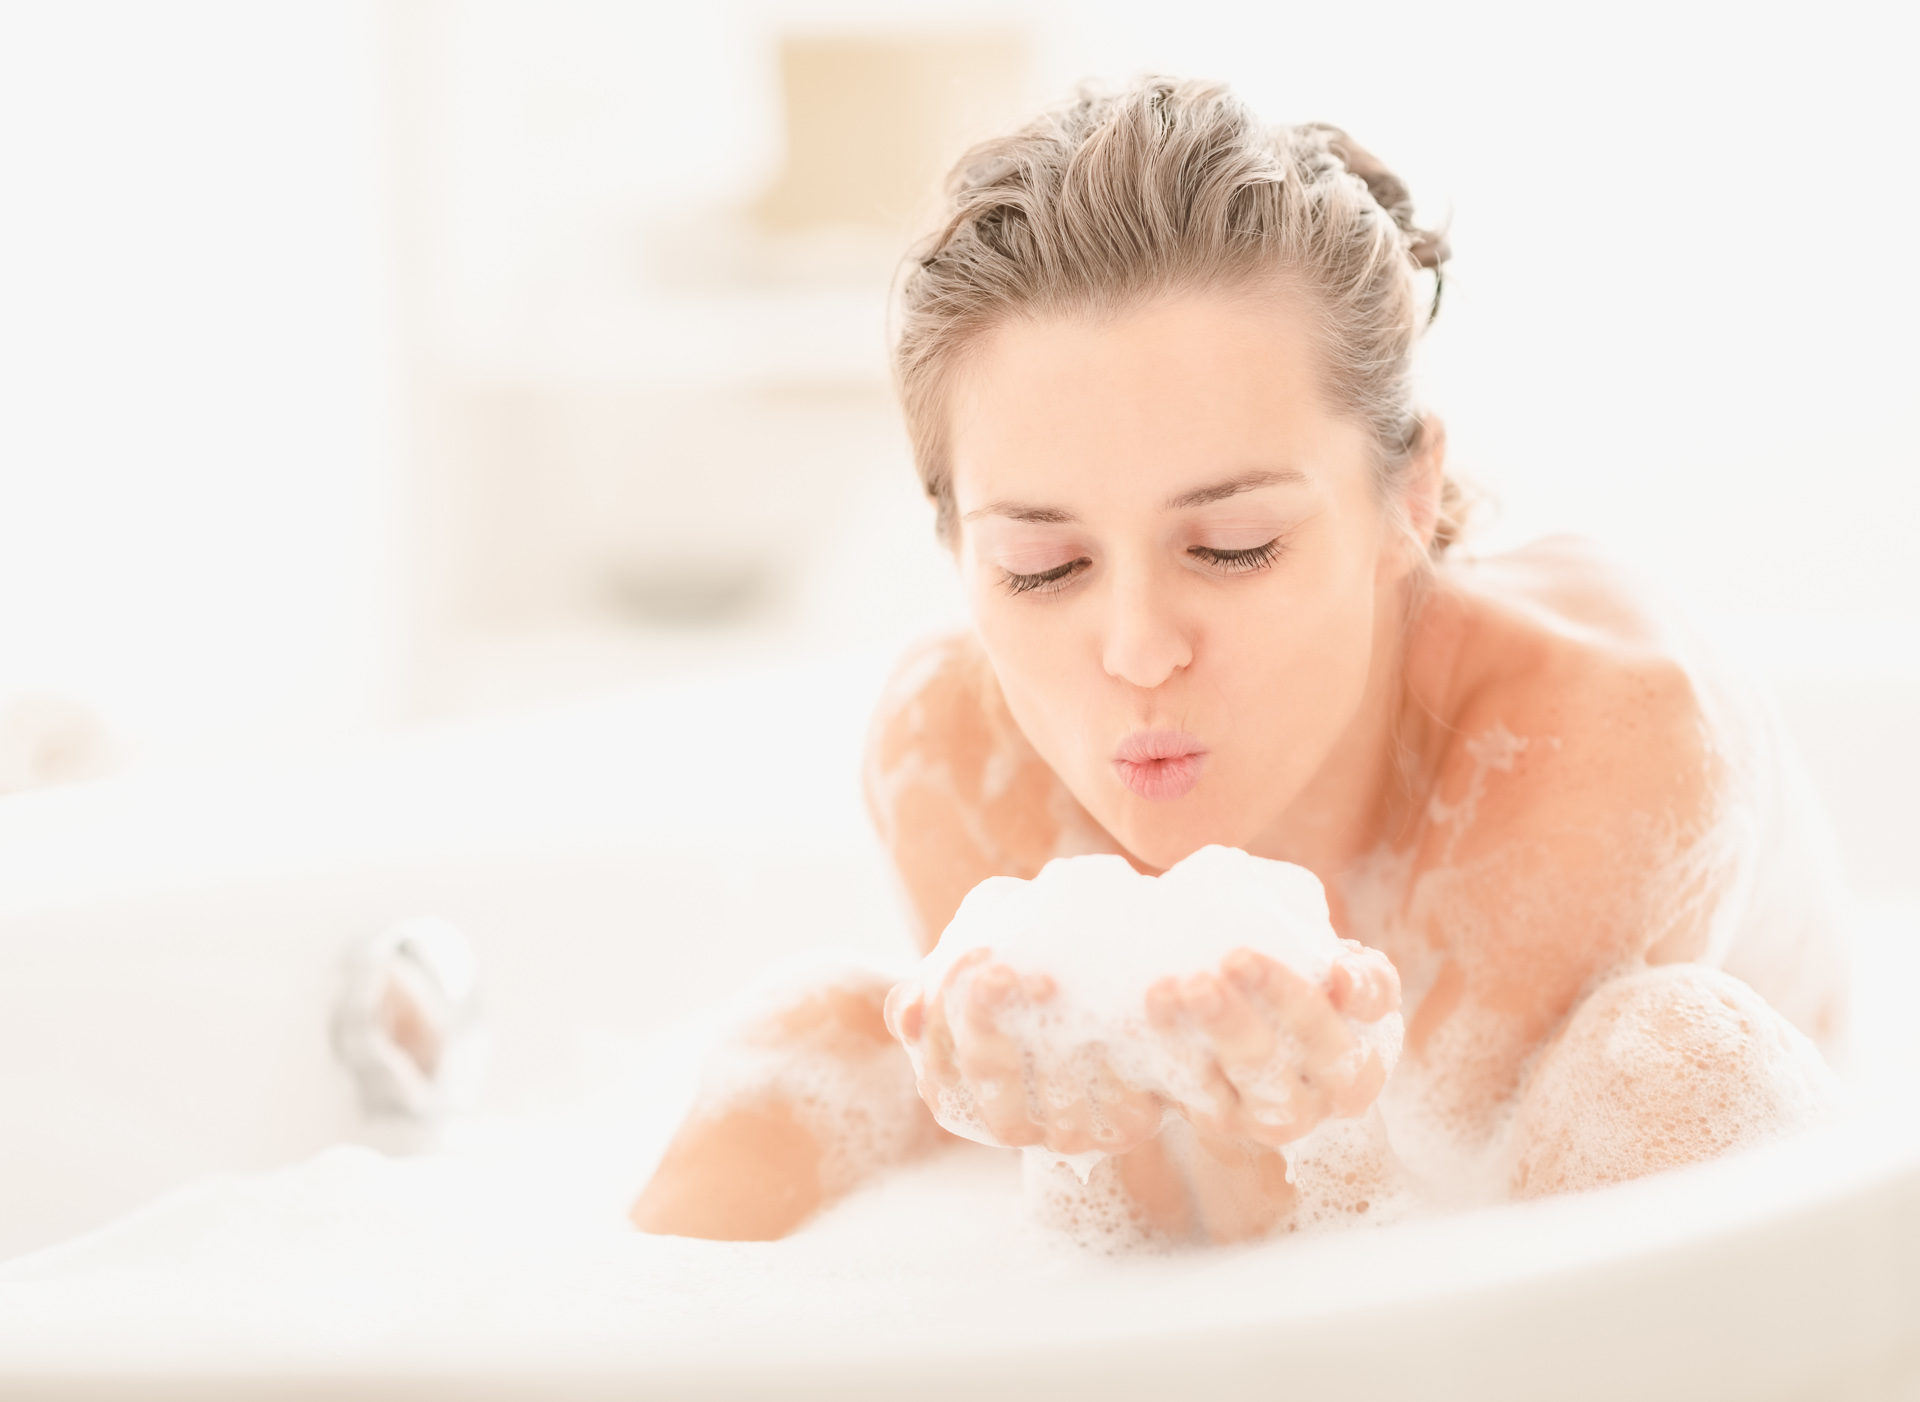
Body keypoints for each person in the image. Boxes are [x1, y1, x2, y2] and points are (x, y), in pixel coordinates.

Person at [629, 75, 1850, 1246]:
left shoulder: (1597, 739)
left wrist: (1244, 1134)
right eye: (1043, 566)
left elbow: (1428, 1262)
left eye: (1232, 547)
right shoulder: (949, 755)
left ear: (1408, 495)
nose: (1138, 650)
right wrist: (1052, 1117)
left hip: (1757, 1243)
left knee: (1667, 1060)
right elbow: (1145, 1246)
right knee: (818, 1040)